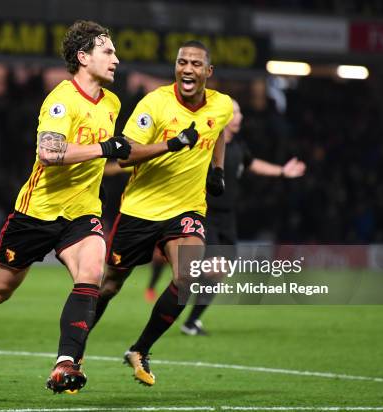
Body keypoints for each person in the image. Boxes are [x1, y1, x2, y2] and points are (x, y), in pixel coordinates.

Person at [0, 20, 131, 394]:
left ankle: (66, 363)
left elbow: (110, 155)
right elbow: (48, 153)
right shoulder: (61, 100)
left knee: (92, 272)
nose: (117, 58)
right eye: (108, 51)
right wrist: (104, 148)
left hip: (82, 214)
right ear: (83, 57)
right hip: (37, 213)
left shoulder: (112, 103)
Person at [88, 40, 234, 386]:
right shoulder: (155, 102)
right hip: (140, 209)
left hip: (186, 209)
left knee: (187, 277)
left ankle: (140, 349)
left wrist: (218, 170)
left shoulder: (221, 105)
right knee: (109, 285)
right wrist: (172, 144)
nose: (187, 68)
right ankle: (71, 354)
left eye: (196, 64)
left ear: (207, 72)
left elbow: (219, 130)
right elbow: (125, 155)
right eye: (182, 61)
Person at [146, 98, 306, 336]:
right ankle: (183, 273)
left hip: (228, 217)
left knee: (221, 271)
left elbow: (252, 164)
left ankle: (191, 322)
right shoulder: (206, 144)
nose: (240, 116)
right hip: (205, 213)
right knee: (214, 268)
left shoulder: (239, 147)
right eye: (236, 111)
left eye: (240, 111)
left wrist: (282, 171)